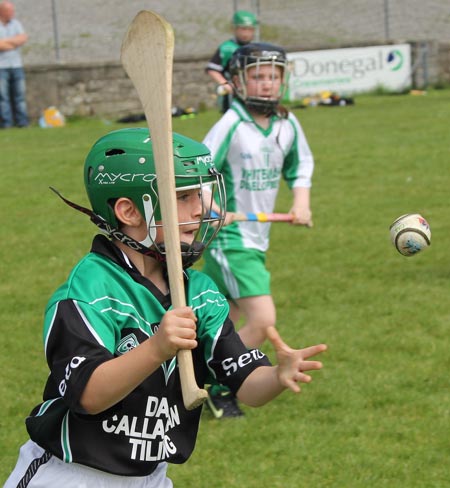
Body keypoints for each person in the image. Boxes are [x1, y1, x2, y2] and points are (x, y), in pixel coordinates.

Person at [4, 128, 326, 487]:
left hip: (151, 478)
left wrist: (277, 377)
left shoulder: (199, 292)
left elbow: (246, 385)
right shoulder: (90, 289)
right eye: (184, 196)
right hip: (71, 474)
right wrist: (158, 347)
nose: (201, 208)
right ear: (129, 211)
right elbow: (89, 396)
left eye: (199, 194)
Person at [202, 42, 315, 417]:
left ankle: (184, 377)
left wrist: (301, 202)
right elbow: (197, 173)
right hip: (229, 238)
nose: (266, 84)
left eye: (273, 76)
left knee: (226, 318)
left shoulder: (287, 123)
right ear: (237, 80)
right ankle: (220, 383)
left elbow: (300, 166)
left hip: (256, 238)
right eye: (257, 75)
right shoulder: (230, 124)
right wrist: (216, 210)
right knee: (263, 319)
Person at [206, 9, 257, 113]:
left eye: (250, 29)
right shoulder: (227, 48)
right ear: (234, 29)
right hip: (232, 95)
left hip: (250, 91)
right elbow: (212, 69)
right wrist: (225, 84)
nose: (246, 33)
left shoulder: (255, 48)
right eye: (243, 29)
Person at [0, 0, 29, 128]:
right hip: (1, 67)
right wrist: (14, 42)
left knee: (20, 96)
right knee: (3, 98)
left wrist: (5, 42)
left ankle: (22, 122)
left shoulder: (16, 24)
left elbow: (23, 38)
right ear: (2, 11)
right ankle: (7, 123)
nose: (12, 13)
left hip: (16, 66)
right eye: (9, 11)